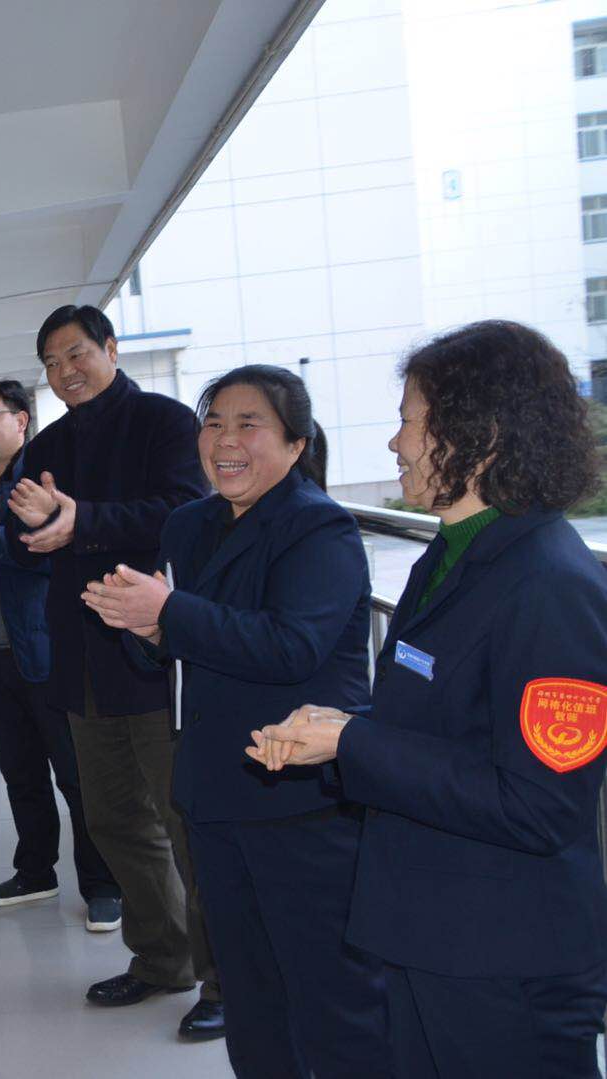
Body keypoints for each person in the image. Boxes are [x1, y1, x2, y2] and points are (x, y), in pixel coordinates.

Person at [253, 320, 607, 1079]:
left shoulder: (552, 586)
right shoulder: (455, 550)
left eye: (410, 420)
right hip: (434, 929)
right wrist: (343, 726)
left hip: (504, 959)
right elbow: (446, 719)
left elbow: (542, 805)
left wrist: (355, 743)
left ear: (481, 435)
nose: (396, 443)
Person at [84, 366, 387, 1075]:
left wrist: (169, 613)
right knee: (248, 989)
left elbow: (292, 646)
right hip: (213, 787)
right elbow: (180, 639)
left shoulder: (320, 526)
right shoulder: (189, 523)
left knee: (328, 990)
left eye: (249, 424)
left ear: (296, 443)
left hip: (300, 797)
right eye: (214, 422)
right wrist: (147, 628)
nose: (225, 440)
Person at [4, 303, 222, 1039]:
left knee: (184, 821)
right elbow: (38, 532)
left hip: (153, 653)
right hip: (81, 657)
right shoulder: (50, 443)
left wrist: (83, 520)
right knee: (114, 819)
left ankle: (224, 977)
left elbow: (187, 509)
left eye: (76, 354)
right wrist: (36, 525)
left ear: (110, 348)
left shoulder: (165, 422)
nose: (65, 372)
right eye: (51, 363)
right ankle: (162, 958)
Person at [0, 378, 121, 924]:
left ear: (21, 420)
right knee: (20, 773)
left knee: (76, 776)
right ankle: (36, 872)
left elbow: (46, 556)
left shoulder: (47, 484)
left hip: (48, 652)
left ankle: (103, 884)